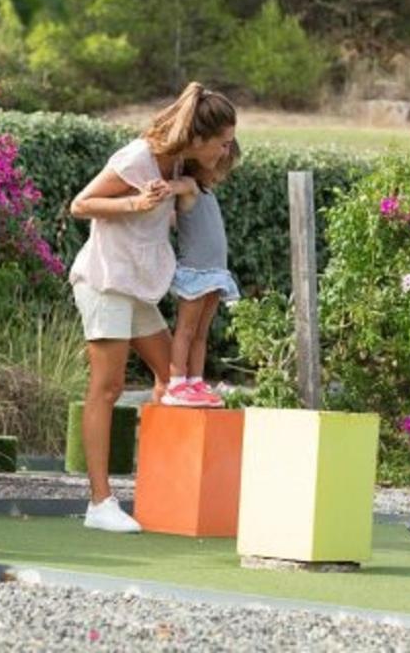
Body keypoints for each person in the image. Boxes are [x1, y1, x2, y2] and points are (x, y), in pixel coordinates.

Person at [68, 82, 236, 532]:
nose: (226, 149)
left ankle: (164, 489)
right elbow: (81, 204)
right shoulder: (136, 158)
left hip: (139, 286)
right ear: (199, 137)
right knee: (109, 385)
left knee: (172, 378)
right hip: (106, 280)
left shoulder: (181, 162)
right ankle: (99, 503)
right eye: (221, 142)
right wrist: (133, 202)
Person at [162, 138, 243, 407]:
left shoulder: (208, 192)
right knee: (185, 330)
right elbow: (177, 186)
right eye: (221, 166)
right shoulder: (192, 188)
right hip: (196, 273)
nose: (223, 174)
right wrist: (166, 186)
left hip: (216, 273)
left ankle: (196, 380)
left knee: (201, 333)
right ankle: (176, 382)